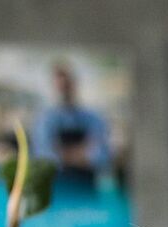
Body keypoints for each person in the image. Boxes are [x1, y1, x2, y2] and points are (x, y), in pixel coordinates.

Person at [32, 60, 112, 188]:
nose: (64, 90)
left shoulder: (93, 118)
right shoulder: (45, 119)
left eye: (67, 85)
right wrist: (81, 153)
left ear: (75, 84)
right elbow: (43, 157)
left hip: (86, 189)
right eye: (60, 86)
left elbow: (102, 156)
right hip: (58, 189)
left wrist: (62, 154)